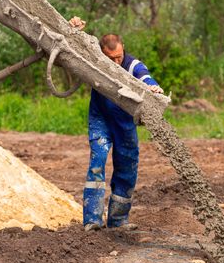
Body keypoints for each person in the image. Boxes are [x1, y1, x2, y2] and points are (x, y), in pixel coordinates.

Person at [69, 17, 164, 231]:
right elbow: (72, 48)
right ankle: (92, 220)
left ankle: (118, 220)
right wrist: (73, 29)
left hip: (124, 124)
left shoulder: (132, 65)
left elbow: (145, 77)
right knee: (97, 163)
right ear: (102, 53)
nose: (115, 63)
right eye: (110, 58)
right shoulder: (95, 61)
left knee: (127, 166)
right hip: (100, 121)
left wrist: (154, 88)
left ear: (124, 52)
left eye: (118, 57)